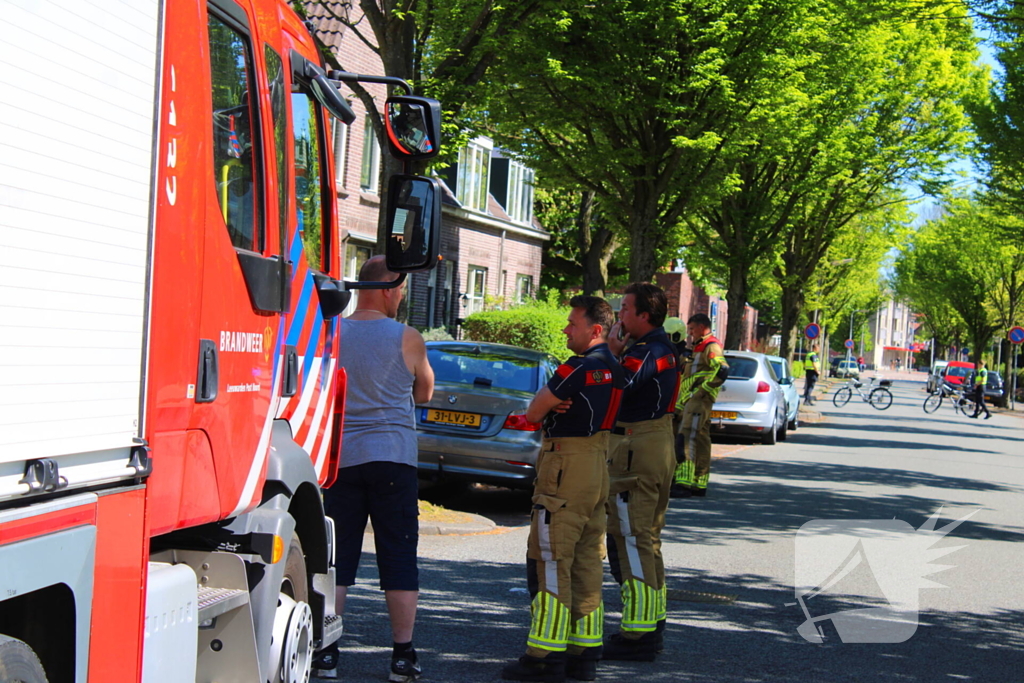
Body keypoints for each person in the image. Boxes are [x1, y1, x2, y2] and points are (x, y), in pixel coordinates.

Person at [320, 256, 434, 683]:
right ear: (387, 289)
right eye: (400, 290)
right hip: (393, 459)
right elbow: (424, 392)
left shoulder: (333, 332)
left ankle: (327, 653)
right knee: (398, 557)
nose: (401, 297)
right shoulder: (407, 337)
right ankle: (402, 656)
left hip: (343, 460)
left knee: (338, 558)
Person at [502, 296, 625, 683]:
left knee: (551, 558)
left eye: (573, 323)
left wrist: (547, 406)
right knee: (588, 560)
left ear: (595, 329)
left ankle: (545, 656)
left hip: (565, 466)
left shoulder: (578, 366)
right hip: (598, 465)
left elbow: (534, 411)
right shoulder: (616, 368)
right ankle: (584, 653)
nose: (565, 329)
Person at [603, 283, 680, 662]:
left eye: (625, 309)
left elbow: (619, 386)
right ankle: (652, 621)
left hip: (636, 447)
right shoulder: (661, 348)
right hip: (655, 443)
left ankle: (638, 633)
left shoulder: (647, 351)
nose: (619, 315)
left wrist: (610, 353)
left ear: (643, 315)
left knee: (631, 538)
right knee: (646, 539)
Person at [672, 314, 729, 498]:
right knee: (701, 440)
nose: (689, 333)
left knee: (686, 437)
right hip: (695, 401)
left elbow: (722, 370)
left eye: (692, 329)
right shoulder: (698, 347)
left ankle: (684, 483)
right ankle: (699, 482)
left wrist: (701, 391)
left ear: (703, 328)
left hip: (698, 401)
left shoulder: (710, 346)